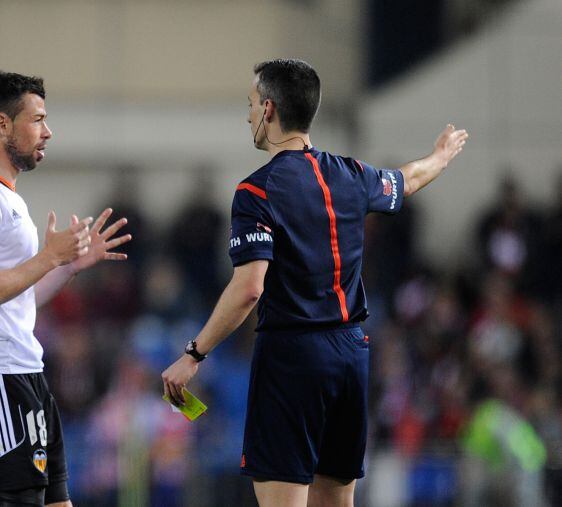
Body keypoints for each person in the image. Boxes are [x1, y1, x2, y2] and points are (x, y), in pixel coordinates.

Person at [161, 59, 468, 507]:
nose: (247, 114)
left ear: (268, 110)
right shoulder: (351, 175)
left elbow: (249, 287)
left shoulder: (256, 192)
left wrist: (193, 354)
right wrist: (440, 156)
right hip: (350, 357)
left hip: (292, 359)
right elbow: (409, 179)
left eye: (249, 104)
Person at [0, 71, 131, 507]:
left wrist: (68, 266)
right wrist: (49, 257)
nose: (48, 131)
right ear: (1, 124)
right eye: (37, 119)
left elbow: (14, 296)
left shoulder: (6, 196)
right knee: (22, 499)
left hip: (23, 367)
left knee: (57, 499)